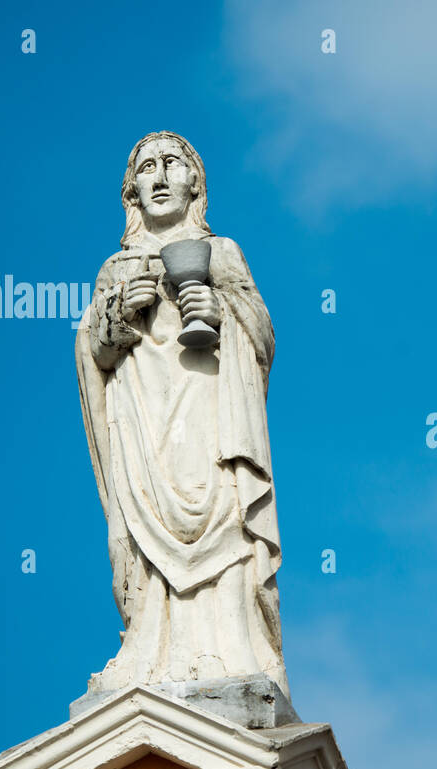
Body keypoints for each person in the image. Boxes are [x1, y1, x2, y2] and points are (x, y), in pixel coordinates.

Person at [74, 130, 287, 697]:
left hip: (211, 425)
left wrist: (220, 311)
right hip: (145, 430)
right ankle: (152, 647)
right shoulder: (115, 268)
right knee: (146, 532)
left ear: (195, 182)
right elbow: (93, 352)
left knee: (223, 523)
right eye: (147, 168)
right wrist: (122, 313)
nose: (161, 176)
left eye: (173, 164)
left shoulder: (224, 254)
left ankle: (234, 647)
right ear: (133, 193)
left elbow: (261, 337)